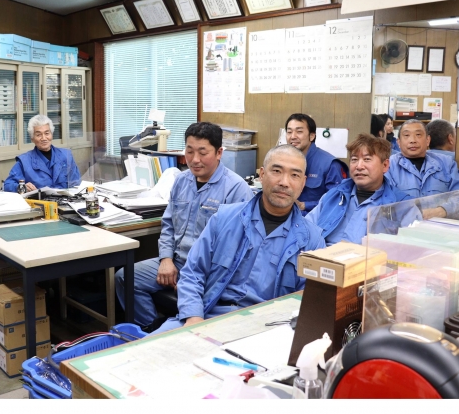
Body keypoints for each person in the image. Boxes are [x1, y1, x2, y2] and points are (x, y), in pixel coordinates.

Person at [151, 145, 325, 335]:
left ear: (303, 183)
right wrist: (194, 317)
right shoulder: (224, 218)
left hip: (264, 330)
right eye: (277, 171)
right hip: (207, 314)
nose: (284, 182)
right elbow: (192, 273)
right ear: (262, 174)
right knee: (148, 348)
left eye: (294, 175)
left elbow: (307, 302)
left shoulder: (312, 241)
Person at [115, 122, 253, 330]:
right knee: (125, 278)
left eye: (203, 153)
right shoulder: (181, 181)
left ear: (219, 153)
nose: (195, 159)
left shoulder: (236, 189)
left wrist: (192, 280)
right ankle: (150, 329)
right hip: (177, 261)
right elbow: (168, 225)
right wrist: (166, 259)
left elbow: (234, 251)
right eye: (189, 151)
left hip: (208, 272)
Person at [306, 134, 417, 246]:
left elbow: (409, 249)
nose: (359, 166)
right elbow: (305, 229)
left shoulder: (402, 205)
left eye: (367, 159)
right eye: (354, 159)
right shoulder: (334, 196)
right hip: (321, 255)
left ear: (385, 165)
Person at [386, 119, 459, 219]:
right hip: (403, 225)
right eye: (406, 135)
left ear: (428, 140)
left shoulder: (446, 163)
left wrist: (442, 210)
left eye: (418, 135)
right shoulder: (388, 166)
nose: (412, 140)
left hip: (441, 225)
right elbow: (385, 200)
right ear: (399, 142)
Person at [285, 113, 347, 216]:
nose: (293, 136)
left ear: (312, 136)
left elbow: (338, 201)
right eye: (289, 132)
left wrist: (304, 205)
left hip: (316, 221)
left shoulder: (330, 164)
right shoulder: (284, 161)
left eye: (299, 131)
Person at [3, 114, 81, 192]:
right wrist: (23, 188)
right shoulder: (24, 161)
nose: (44, 138)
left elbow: (76, 183)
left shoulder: (66, 155)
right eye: (38, 135)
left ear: (52, 135)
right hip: (39, 199)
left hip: (65, 199)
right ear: (32, 139)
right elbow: (7, 185)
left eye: (47, 133)